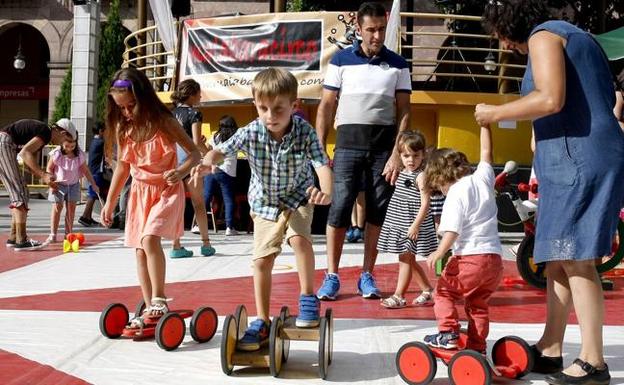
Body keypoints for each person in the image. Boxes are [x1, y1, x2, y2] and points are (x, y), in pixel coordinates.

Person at [476, 1, 624, 383]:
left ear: (509, 23)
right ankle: (551, 347)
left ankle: (593, 361)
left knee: (577, 258)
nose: (504, 45)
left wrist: (495, 113)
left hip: (579, 158)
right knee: (557, 258)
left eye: (500, 36)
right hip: (575, 156)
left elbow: (550, 98)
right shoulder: (577, 38)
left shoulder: (544, 36)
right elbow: (597, 100)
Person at [193, 68, 332, 351]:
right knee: (261, 260)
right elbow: (221, 150)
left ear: (294, 106)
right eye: (263, 108)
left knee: (299, 240)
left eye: (278, 108)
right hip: (265, 201)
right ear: (255, 105)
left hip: (299, 196)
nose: (270, 115)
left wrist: (326, 192)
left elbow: (321, 164)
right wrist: (209, 161)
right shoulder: (252, 131)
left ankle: (307, 297)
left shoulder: (304, 131)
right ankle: (262, 319)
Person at [316, 1, 412, 300]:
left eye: (381, 29)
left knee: (376, 213)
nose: (377, 36)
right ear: (358, 28)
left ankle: (366, 275)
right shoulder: (340, 61)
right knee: (340, 208)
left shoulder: (398, 64)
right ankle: (332, 275)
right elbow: (326, 106)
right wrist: (320, 148)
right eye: (370, 30)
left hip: (383, 150)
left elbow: (405, 112)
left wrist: (397, 153)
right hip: (346, 146)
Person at [101, 68, 201, 327]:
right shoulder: (125, 127)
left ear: (143, 98)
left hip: (166, 191)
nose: (126, 112)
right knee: (139, 250)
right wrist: (110, 203)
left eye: (130, 105)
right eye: (121, 107)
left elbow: (194, 154)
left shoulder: (164, 122)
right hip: (139, 193)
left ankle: (159, 300)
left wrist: (180, 172)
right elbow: (123, 168)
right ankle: (149, 306)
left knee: (149, 239)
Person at [422, 124, 503, 354]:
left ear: (440, 177)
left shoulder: (456, 193)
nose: (440, 190)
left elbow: (452, 230)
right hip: (494, 262)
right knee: (478, 306)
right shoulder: (483, 179)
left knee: (444, 292)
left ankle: (447, 333)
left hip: (469, 259)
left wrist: (439, 251)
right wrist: (485, 125)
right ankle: (478, 348)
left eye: (437, 185)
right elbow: (487, 154)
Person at [378, 131, 437, 309]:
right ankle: (427, 289)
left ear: (423, 155)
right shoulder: (403, 171)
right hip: (400, 220)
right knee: (407, 258)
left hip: (412, 223)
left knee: (405, 258)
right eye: (406, 155)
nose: (411, 160)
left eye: (415, 155)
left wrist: (415, 225)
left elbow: (426, 204)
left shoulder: (421, 176)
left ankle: (399, 296)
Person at [0, 118, 77, 250]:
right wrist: (44, 175)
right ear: (63, 133)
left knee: (21, 191)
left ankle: (14, 237)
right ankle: (21, 240)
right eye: (65, 141)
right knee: (19, 193)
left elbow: (30, 162)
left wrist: (45, 178)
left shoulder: (42, 134)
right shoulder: (45, 132)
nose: (61, 144)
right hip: (4, 144)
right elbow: (25, 153)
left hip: (4, 143)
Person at [169, 79, 215, 258]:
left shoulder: (171, 114)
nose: (200, 96)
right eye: (198, 93)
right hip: (191, 162)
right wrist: (208, 150)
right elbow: (195, 142)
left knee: (177, 205)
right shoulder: (194, 113)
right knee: (198, 204)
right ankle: (205, 244)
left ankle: (176, 245)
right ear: (192, 94)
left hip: (174, 162)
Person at [45, 127, 99, 243]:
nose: (69, 149)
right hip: (58, 185)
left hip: (73, 185)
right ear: (62, 143)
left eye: (72, 146)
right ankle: (53, 234)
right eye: (67, 146)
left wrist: (93, 184)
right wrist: (51, 181)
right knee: (57, 208)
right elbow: (49, 168)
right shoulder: (57, 153)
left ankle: (68, 234)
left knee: (71, 209)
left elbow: (85, 171)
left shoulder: (79, 155)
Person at [202, 115, 239, 236]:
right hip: (227, 170)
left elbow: (206, 148)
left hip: (212, 168)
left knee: (206, 196)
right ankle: (229, 227)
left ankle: (198, 224)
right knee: (228, 199)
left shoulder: (214, 136)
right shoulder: (235, 136)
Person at [79, 122, 109, 227]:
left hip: (93, 171)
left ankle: (88, 217)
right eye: (105, 130)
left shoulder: (93, 141)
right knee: (93, 195)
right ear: (101, 131)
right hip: (97, 172)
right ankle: (84, 217)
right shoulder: (101, 142)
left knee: (98, 194)